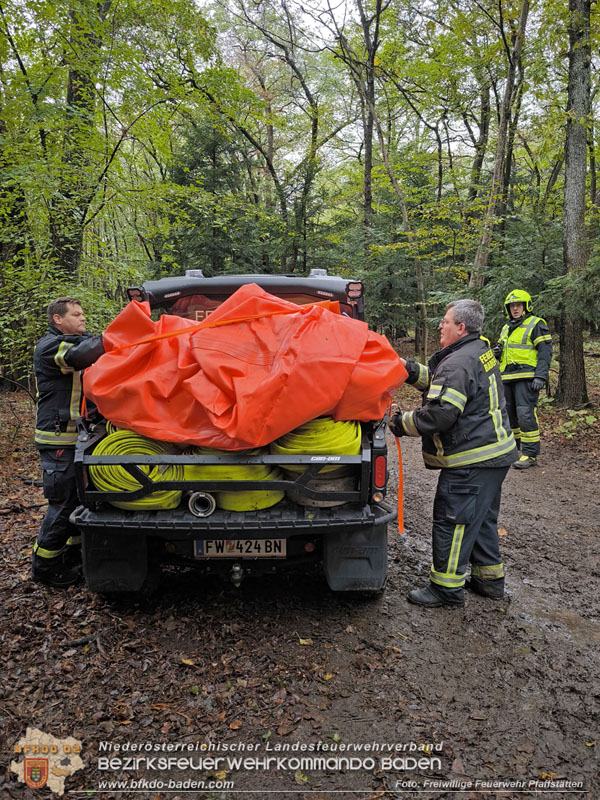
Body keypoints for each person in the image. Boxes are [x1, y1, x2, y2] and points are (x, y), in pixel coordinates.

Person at [389, 300, 517, 608]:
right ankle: (489, 581)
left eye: (445, 322)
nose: (440, 326)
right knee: (481, 518)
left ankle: (446, 589)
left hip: (471, 459)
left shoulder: (458, 363)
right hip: (492, 455)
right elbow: (441, 382)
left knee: (454, 520)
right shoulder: (475, 351)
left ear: (460, 327)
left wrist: (400, 423)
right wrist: (407, 370)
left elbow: (441, 415)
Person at [32, 297, 105, 587]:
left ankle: (72, 557)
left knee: (79, 499)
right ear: (57, 319)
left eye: (83, 313)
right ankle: (46, 568)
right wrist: (117, 335)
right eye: (76, 314)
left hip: (78, 437)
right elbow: (81, 355)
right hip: (58, 438)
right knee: (62, 503)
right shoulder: (51, 346)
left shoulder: (77, 341)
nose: (83, 318)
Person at [494, 290, 552, 469]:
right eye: (512, 306)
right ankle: (514, 450)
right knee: (509, 416)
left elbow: (545, 352)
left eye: (518, 305)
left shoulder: (535, 324)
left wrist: (541, 376)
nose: (515, 309)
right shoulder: (506, 327)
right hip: (507, 377)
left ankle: (530, 454)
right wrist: (497, 353)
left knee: (525, 415)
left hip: (527, 378)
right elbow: (506, 351)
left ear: (526, 306)